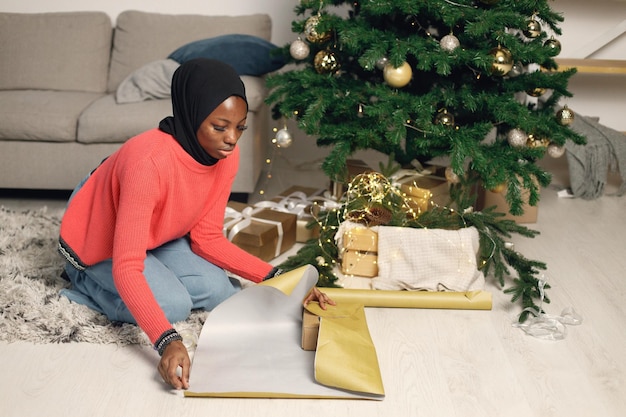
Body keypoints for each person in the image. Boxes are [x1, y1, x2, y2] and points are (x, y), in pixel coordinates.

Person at [58, 58, 334, 390]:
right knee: (173, 305)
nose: (232, 139)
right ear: (192, 115)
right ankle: (83, 283)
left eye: (240, 127)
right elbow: (127, 266)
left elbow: (206, 238)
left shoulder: (224, 156)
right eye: (220, 127)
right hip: (95, 239)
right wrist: (166, 340)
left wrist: (280, 277)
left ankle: (150, 274)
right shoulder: (147, 163)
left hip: (157, 234)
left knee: (221, 292)